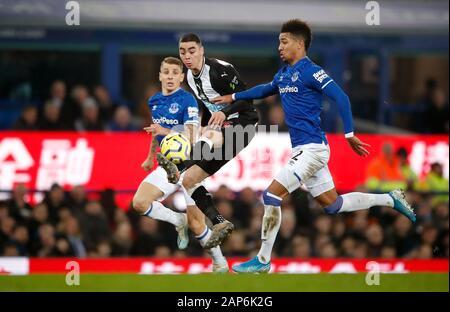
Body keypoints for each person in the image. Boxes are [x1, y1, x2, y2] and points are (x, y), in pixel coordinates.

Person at [213, 19, 416, 273]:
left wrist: (349, 133)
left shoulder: (311, 71)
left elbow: (341, 96)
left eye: (284, 41)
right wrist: (233, 96)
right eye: (279, 41)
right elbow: (266, 89)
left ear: (299, 44)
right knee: (333, 205)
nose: (279, 47)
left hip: (313, 149)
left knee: (271, 195)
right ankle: (390, 199)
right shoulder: (284, 73)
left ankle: (263, 261)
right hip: (303, 149)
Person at [156, 33, 259, 249]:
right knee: (189, 180)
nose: (187, 56)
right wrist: (205, 123)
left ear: (202, 50)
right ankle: (220, 223)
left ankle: (179, 164)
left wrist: (226, 112)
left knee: (208, 136)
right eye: (182, 52)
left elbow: (247, 97)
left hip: (244, 124)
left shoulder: (221, 70)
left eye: (192, 50)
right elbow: (209, 106)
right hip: (220, 129)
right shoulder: (191, 78)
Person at [132, 57, 228, 272]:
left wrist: (165, 131)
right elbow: (155, 132)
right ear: (160, 75)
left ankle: (219, 263)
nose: (170, 76)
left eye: (175, 73)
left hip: (190, 168)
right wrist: (150, 157)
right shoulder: (154, 101)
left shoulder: (187, 100)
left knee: (197, 224)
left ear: (181, 77)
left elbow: (192, 134)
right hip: (167, 166)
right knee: (139, 203)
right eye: (166, 72)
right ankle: (177, 220)